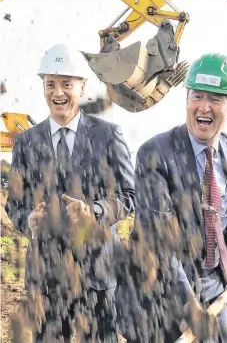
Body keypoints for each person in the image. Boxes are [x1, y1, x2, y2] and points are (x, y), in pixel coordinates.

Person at [124, 53, 227, 342]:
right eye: (197, 96)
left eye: (216, 99)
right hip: (159, 289)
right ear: (186, 99)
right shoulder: (155, 153)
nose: (204, 107)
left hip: (211, 284)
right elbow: (158, 239)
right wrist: (189, 308)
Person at [6, 43, 135, 343]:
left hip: (98, 273)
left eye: (66, 84)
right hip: (47, 278)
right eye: (50, 84)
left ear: (82, 86)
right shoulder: (25, 142)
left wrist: (96, 211)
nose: (58, 92)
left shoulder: (108, 135)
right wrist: (28, 220)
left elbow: (130, 196)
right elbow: (15, 203)